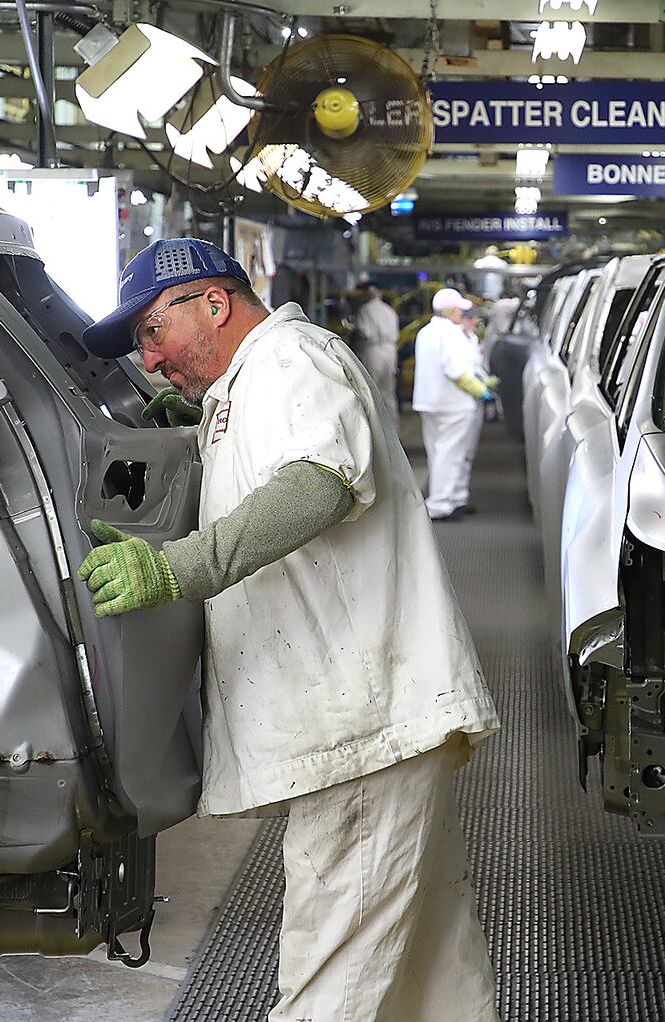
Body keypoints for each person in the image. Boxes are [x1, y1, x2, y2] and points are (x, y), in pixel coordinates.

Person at [74, 238, 501, 1022]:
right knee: (429, 972)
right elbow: (266, 466)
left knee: (329, 979)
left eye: (151, 333)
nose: (150, 359)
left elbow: (316, 483)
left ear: (213, 302)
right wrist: (201, 426)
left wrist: (178, 570)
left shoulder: (292, 360)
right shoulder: (253, 380)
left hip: (360, 729)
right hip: (367, 723)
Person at [412, 288, 497, 521]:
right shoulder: (450, 334)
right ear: (449, 311)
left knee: (438, 452)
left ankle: (455, 498)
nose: (463, 313)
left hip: (429, 403)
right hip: (454, 403)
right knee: (451, 454)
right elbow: (456, 370)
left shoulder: (426, 332)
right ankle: (441, 504)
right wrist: (481, 390)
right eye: (460, 309)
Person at [350, 280, 400, 423]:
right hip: (390, 352)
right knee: (388, 393)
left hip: (373, 351)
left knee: (370, 391)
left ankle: (375, 428)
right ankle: (394, 429)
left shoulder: (365, 309)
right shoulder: (389, 310)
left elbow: (364, 332)